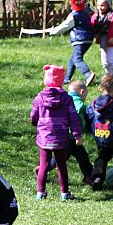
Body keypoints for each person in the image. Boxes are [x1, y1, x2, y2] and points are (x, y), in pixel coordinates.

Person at [30, 65, 82, 201]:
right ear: (61, 80)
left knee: (44, 165)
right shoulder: (67, 98)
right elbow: (74, 118)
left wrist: (36, 123)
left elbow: (34, 116)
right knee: (61, 165)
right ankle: (64, 193)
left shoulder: (40, 97)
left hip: (44, 137)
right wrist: (77, 135)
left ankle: (40, 193)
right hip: (61, 137)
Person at [40, 79, 93, 185]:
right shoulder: (79, 103)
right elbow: (77, 112)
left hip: (62, 135)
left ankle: (42, 169)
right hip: (72, 137)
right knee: (82, 157)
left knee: (62, 157)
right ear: (82, 92)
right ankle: (89, 176)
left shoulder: (64, 98)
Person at [46, 0, 95, 85]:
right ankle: (67, 79)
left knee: (77, 59)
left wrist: (53, 31)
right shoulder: (88, 12)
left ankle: (87, 74)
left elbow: (64, 26)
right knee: (72, 59)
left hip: (79, 40)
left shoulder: (74, 15)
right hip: (88, 39)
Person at [91, 0, 113, 80]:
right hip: (103, 40)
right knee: (104, 62)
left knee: (110, 59)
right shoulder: (96, 16)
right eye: (98, 5)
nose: (100, 7)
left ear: (108, 5)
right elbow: (92, 26)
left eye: (102, 5)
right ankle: (110, 76)